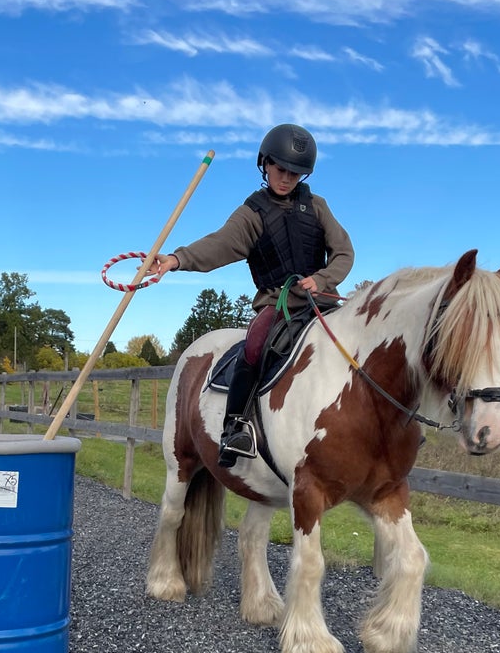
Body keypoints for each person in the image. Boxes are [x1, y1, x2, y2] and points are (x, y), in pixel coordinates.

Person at [150, 123, 354, 466]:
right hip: (277, 304)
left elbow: (344, 253)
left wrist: (322, 279)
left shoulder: (317, 206)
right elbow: (219, 244)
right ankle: (235, 427)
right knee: (255, 345)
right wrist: (176, 259)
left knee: (359, 343)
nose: (286, 178)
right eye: (280, 169)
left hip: (322, 302)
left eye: (294, 173)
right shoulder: (252, 213)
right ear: (265, 163)